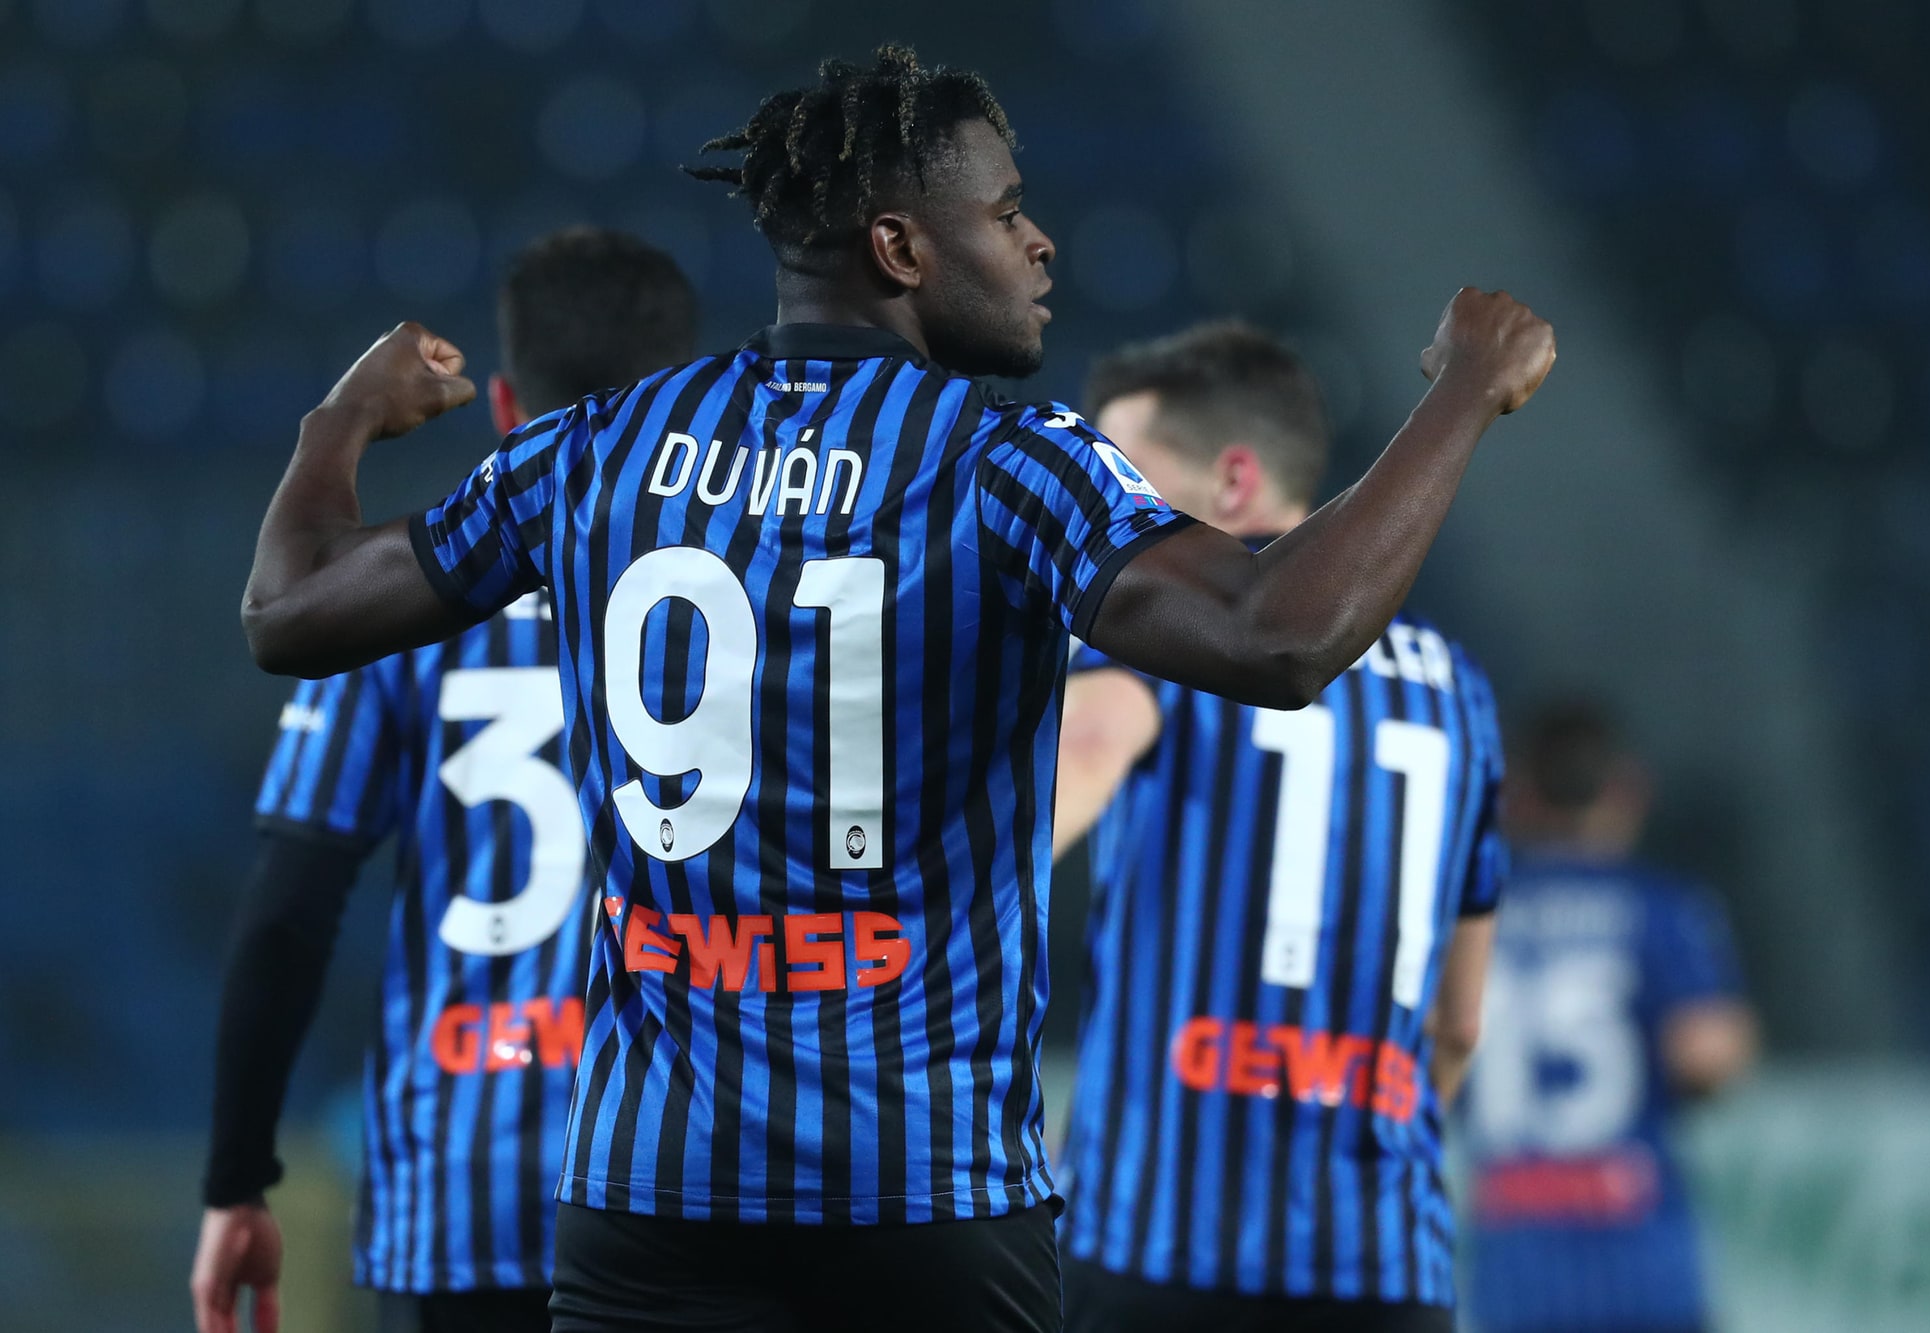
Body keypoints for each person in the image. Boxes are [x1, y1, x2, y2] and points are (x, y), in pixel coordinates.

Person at [235, 45, 1555, 1333]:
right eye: (1005, 212)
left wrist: (337, 421)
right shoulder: (1006, 461)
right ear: (901, 249)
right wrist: (1464, 394)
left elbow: (289, 613)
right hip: (924, 1191)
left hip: (650, 1187)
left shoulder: (598, 449)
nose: (1038, 245)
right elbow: (1279, 639)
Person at [191, 227, 699, 1333]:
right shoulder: (752, 604)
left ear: (507, 406)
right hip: (686, 1182)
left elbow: (289, 907)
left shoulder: (394, 606)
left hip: (463, 1200)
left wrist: (237, 1179)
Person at [1049, 322, 1505, 1333]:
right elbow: (1460, 1023)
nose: (1102, 510)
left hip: (1155, 1244)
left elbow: (1083, 752)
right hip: (1383, 1264)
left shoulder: (1165, 631)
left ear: (1233, 482)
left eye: (1127, 477)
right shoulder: (1458, 690)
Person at [1460, 701, 1757, 1333]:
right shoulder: (1661, 908)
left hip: (1515, 1268)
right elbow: (1707, 1055)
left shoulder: (1470, 914)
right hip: (1640, 1262)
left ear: (1517, 794)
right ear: (1627, 791)